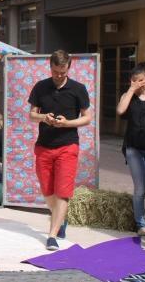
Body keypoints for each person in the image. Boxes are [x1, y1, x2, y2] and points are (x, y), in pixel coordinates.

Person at [28, 50, 92, 251]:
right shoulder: (40, 87)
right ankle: (60, 218)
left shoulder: (78, 89)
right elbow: (31, 115)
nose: (59, 76)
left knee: (62, 192)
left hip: (68, 145)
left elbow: (87, 117)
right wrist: (43, 117)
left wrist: (67, 123)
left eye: (62, 72)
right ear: (51, 67)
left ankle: (52, 235)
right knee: (47, 190)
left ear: (68, 68)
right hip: (44, 146)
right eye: (56, 72)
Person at [115, 63, 145, 237]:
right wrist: (130, 90)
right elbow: (120, 110)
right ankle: (140, 224)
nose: (139, 83)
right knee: (139, 189)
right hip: (134, 149)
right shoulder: (128, 97)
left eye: (142, 80)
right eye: (135, 80)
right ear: (131, 81)